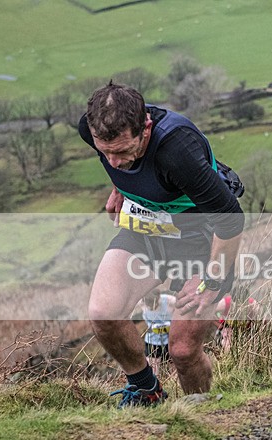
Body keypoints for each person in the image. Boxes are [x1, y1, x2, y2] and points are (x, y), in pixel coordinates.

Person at [80, 82, 244, 407]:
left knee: (182, 351)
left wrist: (211, 281)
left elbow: (230, 219)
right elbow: (121, 166)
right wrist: (121, 187)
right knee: (103, 313)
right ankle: (146, 391)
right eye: (105, 151)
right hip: (148, 229)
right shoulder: (90, 128)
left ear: (146, 128)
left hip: (201, 239)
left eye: (124, 151)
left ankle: (204, 412)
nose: (113, 161)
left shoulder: (176, 150)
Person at [141, 288, 176, 366]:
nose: (151, 307)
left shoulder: (170, 301)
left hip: (170, 339)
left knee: (174, 368)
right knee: (153, 369)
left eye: (154, 304)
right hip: (152, 341)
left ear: (158, 298)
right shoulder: (141, 303)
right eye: (148, 305)